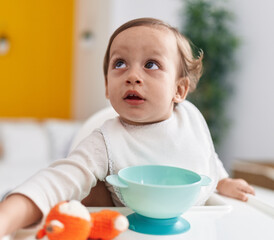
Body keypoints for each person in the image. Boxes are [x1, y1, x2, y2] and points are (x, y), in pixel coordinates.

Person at [0, 18, 255, 237]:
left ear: (179, 90)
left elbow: (206, 155)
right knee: (86, 194)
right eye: (119, 63)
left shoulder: (192, 117)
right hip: (125, 226)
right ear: (107, 87)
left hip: (196, 226)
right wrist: (6, 218)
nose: (132, 75)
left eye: (151, 64)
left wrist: (222, 181)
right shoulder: (104, 141)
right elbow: (55, 181)